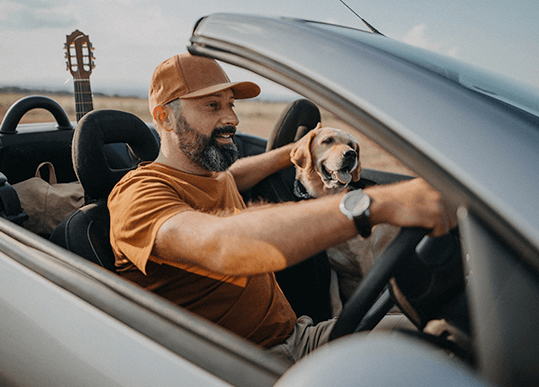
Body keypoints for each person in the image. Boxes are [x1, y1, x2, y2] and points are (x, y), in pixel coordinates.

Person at [108, 53, 457, 363]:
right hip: (248, 363)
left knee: (447, 338)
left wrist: (296, 148)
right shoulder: (138, 196)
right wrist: (375, 203)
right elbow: (220, 243)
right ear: (165, 118)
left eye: (232, 104)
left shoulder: (212, 174)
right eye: (213, 106)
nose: (232, 118)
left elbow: (235, 175)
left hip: (301, 337)